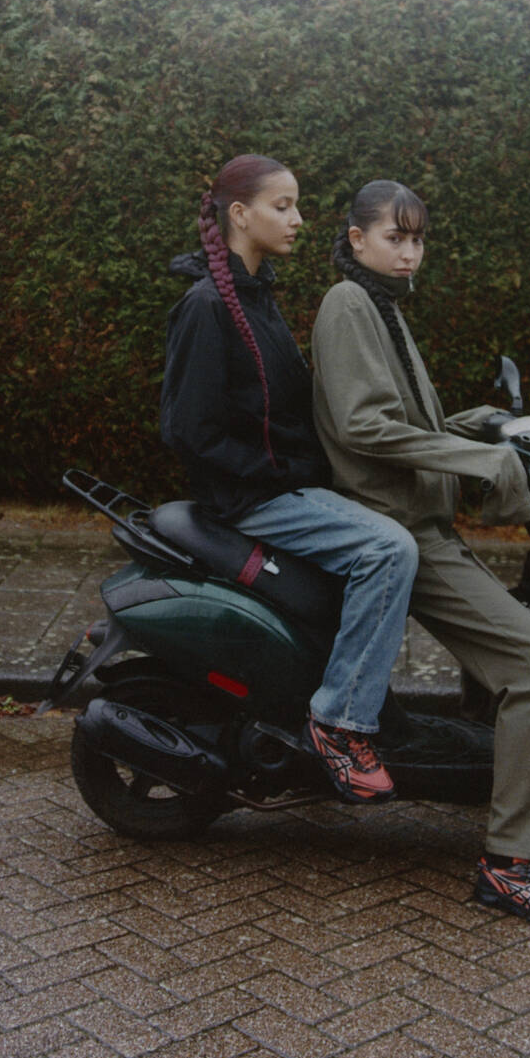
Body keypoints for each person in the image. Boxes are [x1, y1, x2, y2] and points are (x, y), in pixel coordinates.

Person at [311, 179, 530, 929]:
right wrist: (479, 461)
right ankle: (514, 865)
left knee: (525, 654)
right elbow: (363, 427)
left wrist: (480, 424)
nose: (409, 253)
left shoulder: (382, 306)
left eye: (418, 240)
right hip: (404, 533)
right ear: (357, 238)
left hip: (425, 525)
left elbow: (406, 419)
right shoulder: (349, 305)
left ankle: (499, 793)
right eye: (395, 237)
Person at [160, 154, 421, 804]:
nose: (299, 219)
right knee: (389, 550)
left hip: (285, 485)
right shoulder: (206, 306)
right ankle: (340, 722)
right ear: (240, 215)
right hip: (253, 499)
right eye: (283, 206)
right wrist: (279, 472)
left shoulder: (257, 295)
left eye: (296, 205)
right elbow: (188, 429)